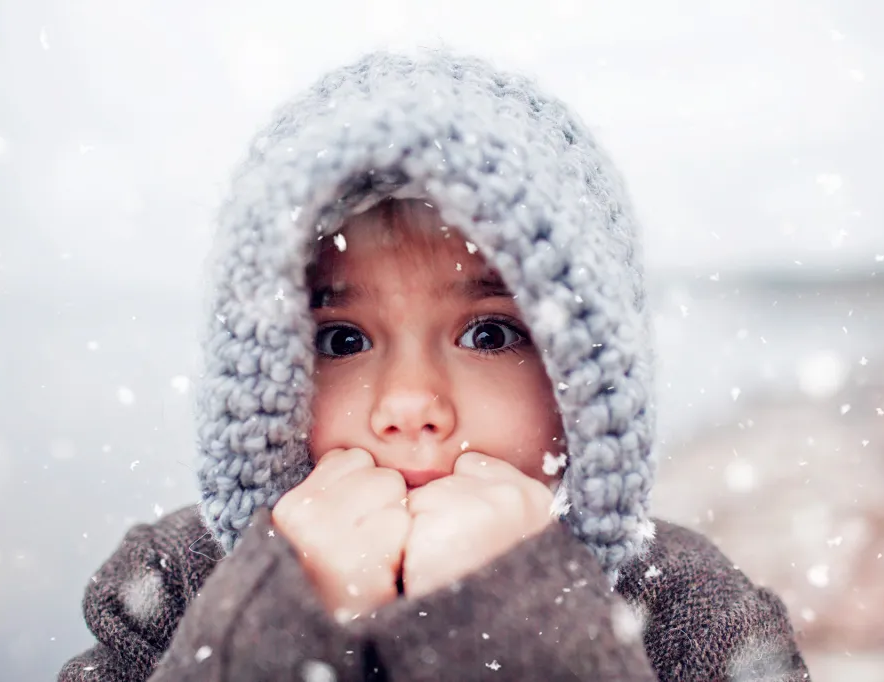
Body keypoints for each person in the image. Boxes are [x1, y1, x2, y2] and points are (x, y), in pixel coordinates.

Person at [58, 50, 810, 681]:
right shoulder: (179, 583)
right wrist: (274, 620)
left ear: (585, 378)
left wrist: (532, 625)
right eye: (342, 341)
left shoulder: (684, 605)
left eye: (488, 335)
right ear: (262, 368)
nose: (410, 404)